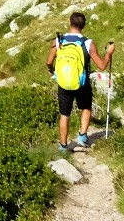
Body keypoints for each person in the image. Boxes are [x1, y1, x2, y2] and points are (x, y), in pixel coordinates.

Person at [46, 11, 114, 151]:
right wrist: (108, 53)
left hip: (64, 83)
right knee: (86, 107)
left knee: (64, 114)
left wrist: (52, 70)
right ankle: (82, 137)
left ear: (70, 23)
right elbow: (101, 66)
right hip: (82, 83)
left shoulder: (59, 41)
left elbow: (48, 61)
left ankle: (63, 146)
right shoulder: (87, 43)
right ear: (83, 26)